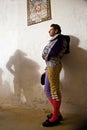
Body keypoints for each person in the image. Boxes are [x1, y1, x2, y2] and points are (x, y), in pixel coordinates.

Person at [42, 24, 69, 127]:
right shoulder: (56, 39)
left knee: (54, 90)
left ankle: (55, 117)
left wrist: (47, 60)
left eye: (51, 29)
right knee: (47, 90)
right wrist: (46, 68)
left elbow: (51, 52)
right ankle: (57, 113)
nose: (49, 31)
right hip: (50, 66)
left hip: (53, 65)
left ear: (56, 30)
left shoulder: (60, 39)